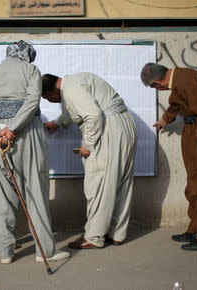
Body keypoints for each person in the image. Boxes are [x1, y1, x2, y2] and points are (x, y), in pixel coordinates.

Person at [0, 40, 69, 264]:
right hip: (26, 134)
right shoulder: (31, 70)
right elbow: (32, 102)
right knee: (35, 189)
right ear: (28, 57)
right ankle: (45, 251)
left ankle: (5, 252)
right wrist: (12, 129)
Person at [42, 72, 138, 249]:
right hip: (124, 125)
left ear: (50, 94)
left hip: (110, 129)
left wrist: (88, 144)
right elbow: (79, 109)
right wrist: (57, 122)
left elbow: (93, 115)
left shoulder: (69, 90)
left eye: (48, 100)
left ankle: (94, 237)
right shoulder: (76, 80)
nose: (53, 103)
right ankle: (117, 233)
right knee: (121, 181)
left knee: (98, 182)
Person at [140, 63, 197, 251]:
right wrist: (166, 118)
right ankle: (196, 228)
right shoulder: (178, 79)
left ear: (157, 83)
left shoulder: (186, 81)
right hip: (194, 130)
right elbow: (177, 103)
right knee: (195, 183)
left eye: (153, 87)